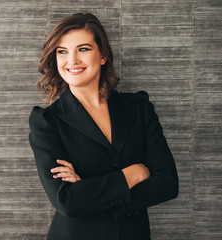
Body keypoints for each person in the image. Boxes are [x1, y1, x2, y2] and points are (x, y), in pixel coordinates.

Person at [28, 13, 178, 240]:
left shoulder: (138, 106)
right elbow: (67, 201)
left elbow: (167, 183)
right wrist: (132, 173)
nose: (72, 60)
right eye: (62, 51)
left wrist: (89, 192)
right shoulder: (47, 121)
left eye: (84, 49)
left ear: (103, 56)